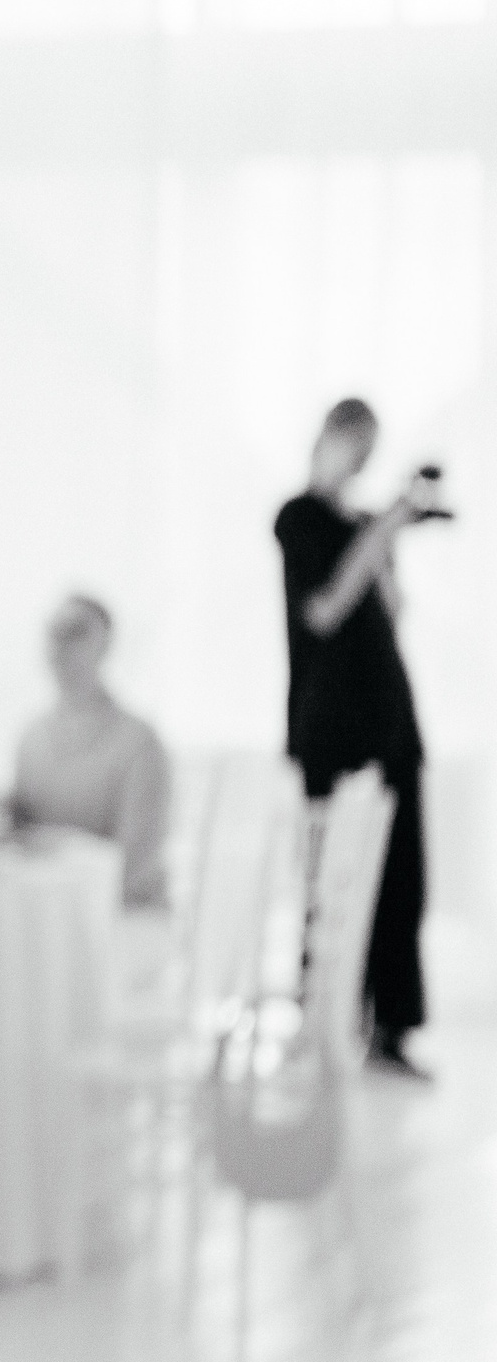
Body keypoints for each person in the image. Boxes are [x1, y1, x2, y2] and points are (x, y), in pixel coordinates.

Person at [275, 397, 442, 1081]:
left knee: (403, 878)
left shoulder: (366, 524)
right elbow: (322, 609)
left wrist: (387, 538)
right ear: (328, 437)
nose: (363, 458)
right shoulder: (299, 518)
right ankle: (321, 1018)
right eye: (356, 443)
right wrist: (378, 534)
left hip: (390, 719)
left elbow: (393, 611)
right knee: (329, 879)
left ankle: (391, 1028)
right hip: (330, 725)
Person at [11, 594, 173, 909]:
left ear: (105, 645)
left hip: (125, 919)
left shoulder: (139, 743)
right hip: (48, 916)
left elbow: (137, 860)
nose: (62, 646)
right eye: (53, 632)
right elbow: (19, 840)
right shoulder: (30, 739)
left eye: (76, 633)